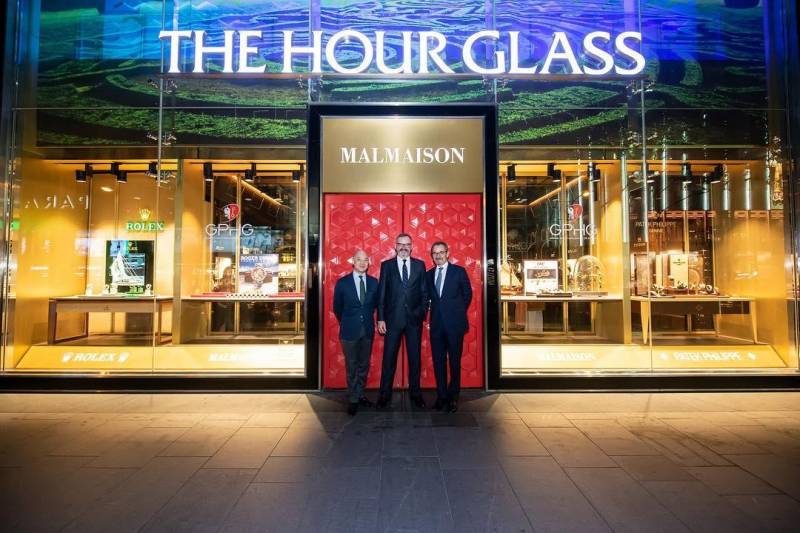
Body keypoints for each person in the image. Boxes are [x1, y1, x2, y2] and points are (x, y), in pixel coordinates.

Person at [376, 233, 428, 409]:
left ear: (412, 247)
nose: (404, 247)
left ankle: (416, 394)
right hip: (392, 321)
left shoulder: (420, 265)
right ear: (395, 246)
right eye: (400, 244)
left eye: (407, 244)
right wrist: (381, 318)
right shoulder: (387, 266)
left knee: (415, 359)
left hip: (414, 321)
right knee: (388, 359)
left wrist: (422, 313)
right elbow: (381, 294)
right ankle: (384, 395)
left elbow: (424, 292)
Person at [426, 241, 472, 412]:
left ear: (448, 253)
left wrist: (456, 312)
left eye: (441, 252)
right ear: (432, 256)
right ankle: (441, 396)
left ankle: (453, 398)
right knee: (438, 362)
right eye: (435, 253)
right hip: (436, 325)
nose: (438, 255)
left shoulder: (459, 271)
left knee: (454, 362)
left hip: (455, 325)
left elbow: (467, 295)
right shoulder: (428, 275)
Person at [332, 249, 379, 416]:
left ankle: (360, 394)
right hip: (349, 331)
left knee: (363, 365)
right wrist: (347, 321)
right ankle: (353, 398)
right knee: (351, 366)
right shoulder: (342, 283)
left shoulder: (374, 282)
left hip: (367, 330)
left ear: (369, 262)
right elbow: (337, 308)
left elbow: (376, 305)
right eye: (359, 259)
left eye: (365, 259)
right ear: (353, 261)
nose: (362, 262)